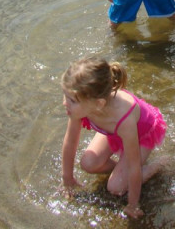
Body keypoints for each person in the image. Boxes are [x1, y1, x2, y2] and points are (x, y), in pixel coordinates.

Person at [60, 57, 168, 219]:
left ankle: (158, 165)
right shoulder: (81, 106)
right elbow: (70, 141)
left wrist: (133, 205)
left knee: (116, 187)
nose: (65, 104)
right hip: (114, 132)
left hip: (141, 135)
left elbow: (133, 166)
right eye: (65, 97)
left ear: (98, 104)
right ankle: (120, 171)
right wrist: (68, 179)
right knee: (88, 164)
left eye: (72, 100)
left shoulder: (125, 119)